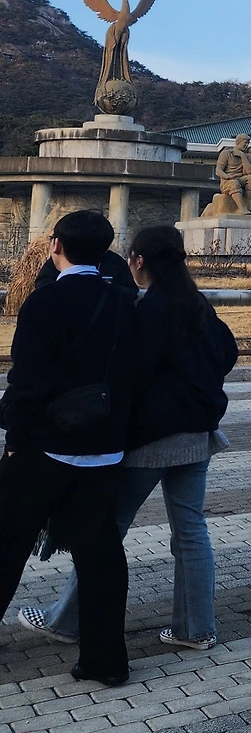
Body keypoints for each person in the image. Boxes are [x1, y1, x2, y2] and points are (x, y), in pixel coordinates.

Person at [19, 225, 238, 653]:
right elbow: (226, 353)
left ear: (138, 261)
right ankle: (196, 629)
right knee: (191, 531)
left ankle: (66, 621)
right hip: (198, 436)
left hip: (154, 439)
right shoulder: (196, 303)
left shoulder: (148, 309)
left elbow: (130, 374)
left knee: (106, 530)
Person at [0, 210, 140, 686]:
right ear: (105, 251)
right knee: (100, 556)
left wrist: (15, 440)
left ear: (55, 245)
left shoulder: (45, 303)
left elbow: (27, 383)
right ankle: (106, 661)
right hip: (105, 450)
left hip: (46, 446)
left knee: (7, 543)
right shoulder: (124, 301)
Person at [32, 245, 137, 294]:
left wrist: (105, 289)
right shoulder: (62, 257)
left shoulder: (114, 261)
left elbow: (131, 291)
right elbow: (42, 283)